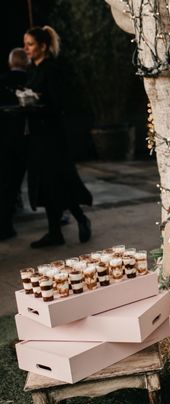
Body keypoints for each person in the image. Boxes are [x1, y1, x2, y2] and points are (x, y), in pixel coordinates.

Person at [23, 25, 92, 248]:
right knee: (47, 185)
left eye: (30, 44)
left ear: (43, 46)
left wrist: (35, 103)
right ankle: (55, 231)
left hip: (52, 137)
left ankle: (79, 220)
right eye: (25, 45)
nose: (26, 49)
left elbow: (59, 103)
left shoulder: (52, 70)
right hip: (38, 136)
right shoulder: (33, 69)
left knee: (58, 182)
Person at [0, 48, 29, 240]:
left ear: (11, 63)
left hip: (3, 140)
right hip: (24, 140)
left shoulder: (2, 80)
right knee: (13, 183)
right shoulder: (31, 80)